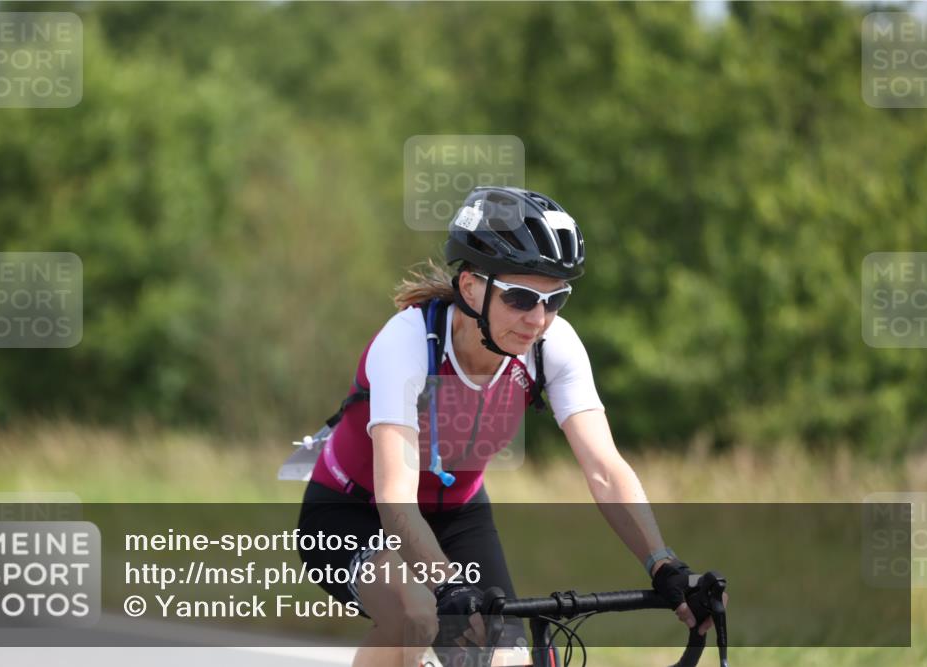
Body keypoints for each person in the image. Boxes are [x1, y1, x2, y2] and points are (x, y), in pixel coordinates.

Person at [297, 186, 718, 667]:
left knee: (508, 660)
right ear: (473, 287)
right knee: (417, 614)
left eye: (555, 299)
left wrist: (663, 563)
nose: (538, 319)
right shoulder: (408, 342)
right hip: (353, 510)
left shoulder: (550, 345)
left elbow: (605, 468)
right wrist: (446, 587)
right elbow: (395, 502)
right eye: (520, 298)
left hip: (458, 513)